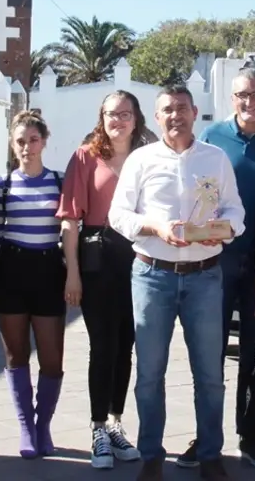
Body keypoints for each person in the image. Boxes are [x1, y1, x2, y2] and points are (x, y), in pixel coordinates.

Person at [109, 84, 245, 481]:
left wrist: (226, 230)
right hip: (152, 276)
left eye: (182, 108)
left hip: (205, 277)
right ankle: (152, 454)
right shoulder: (141, 159)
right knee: (150, 373)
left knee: (209, 375)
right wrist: (154, 225)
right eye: (167, 109)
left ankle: (210, 454)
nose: (175, 116)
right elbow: (119, 215)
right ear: (157, 117)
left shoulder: (215, 159)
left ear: (194, 112)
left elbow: (235, 208)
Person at [185, 68, 255, 469]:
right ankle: (206, 438)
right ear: (233, 99)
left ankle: (252, 436)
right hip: (216, 261)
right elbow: (196, 192)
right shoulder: (212, 139)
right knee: (208, 355)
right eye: (244, 94)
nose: (251, 101)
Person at [56, 91, 150, 470]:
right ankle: (97, 426)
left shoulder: (149, 156)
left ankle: (115, 421)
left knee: (126, 346)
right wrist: (73, 272)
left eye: (125, 114)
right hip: (97, 260)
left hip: (140, 258)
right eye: (111, 114)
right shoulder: (85, 156)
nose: (118, 121)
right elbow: (70, 220)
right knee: (102, 345)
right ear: (102, 117)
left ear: (136, 118)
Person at [0, 110, 67, 459]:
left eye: (33, 140)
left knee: (51, 358)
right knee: (15, 354)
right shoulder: (1, 185)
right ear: (12, 143)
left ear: (44, 142)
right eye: (20, 141)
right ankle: (26, 427)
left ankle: (43, 424)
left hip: (49, 269)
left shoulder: (60, 182)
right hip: (12, 269)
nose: (27, 147)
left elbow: (68, 231)